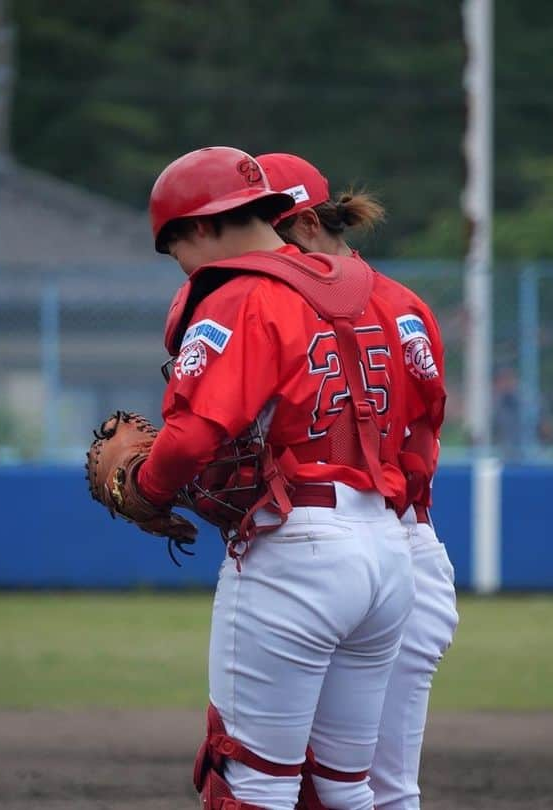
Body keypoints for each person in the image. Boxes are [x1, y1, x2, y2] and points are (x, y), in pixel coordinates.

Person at [136, 146, 416, 810]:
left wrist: (145, 494)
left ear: (201, 227)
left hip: (299, 553)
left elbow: (192, 435)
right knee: (346, 790)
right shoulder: (369, 290)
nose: (180, 263)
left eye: (175, 245)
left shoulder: (239, 295)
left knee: (251, 785)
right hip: (384, 548)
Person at [257, 153, 460, 810]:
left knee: (353, 786)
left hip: (354, 543)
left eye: (270, 234)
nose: (262, 252)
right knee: (361, 787)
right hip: (399, 549)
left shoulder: (285, 307)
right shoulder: (406, 307)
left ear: (309, 226)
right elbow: (427, 428)